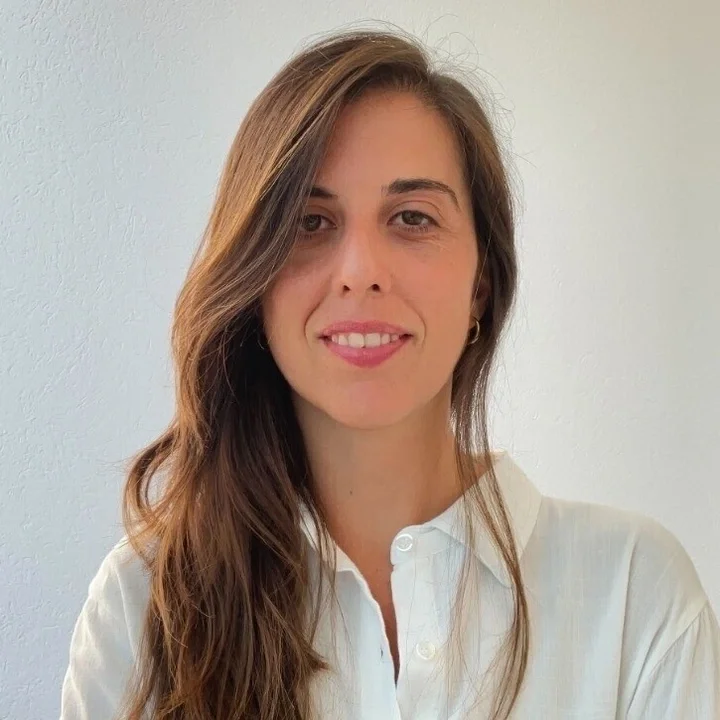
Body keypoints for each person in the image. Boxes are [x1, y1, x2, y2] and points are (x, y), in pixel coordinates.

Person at [60, 26, 720, 720]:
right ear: (255, 283)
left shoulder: (635, 597)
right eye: (310, 222)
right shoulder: (144, 606)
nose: (360, 272)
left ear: (481, 283)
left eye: (411, 217)